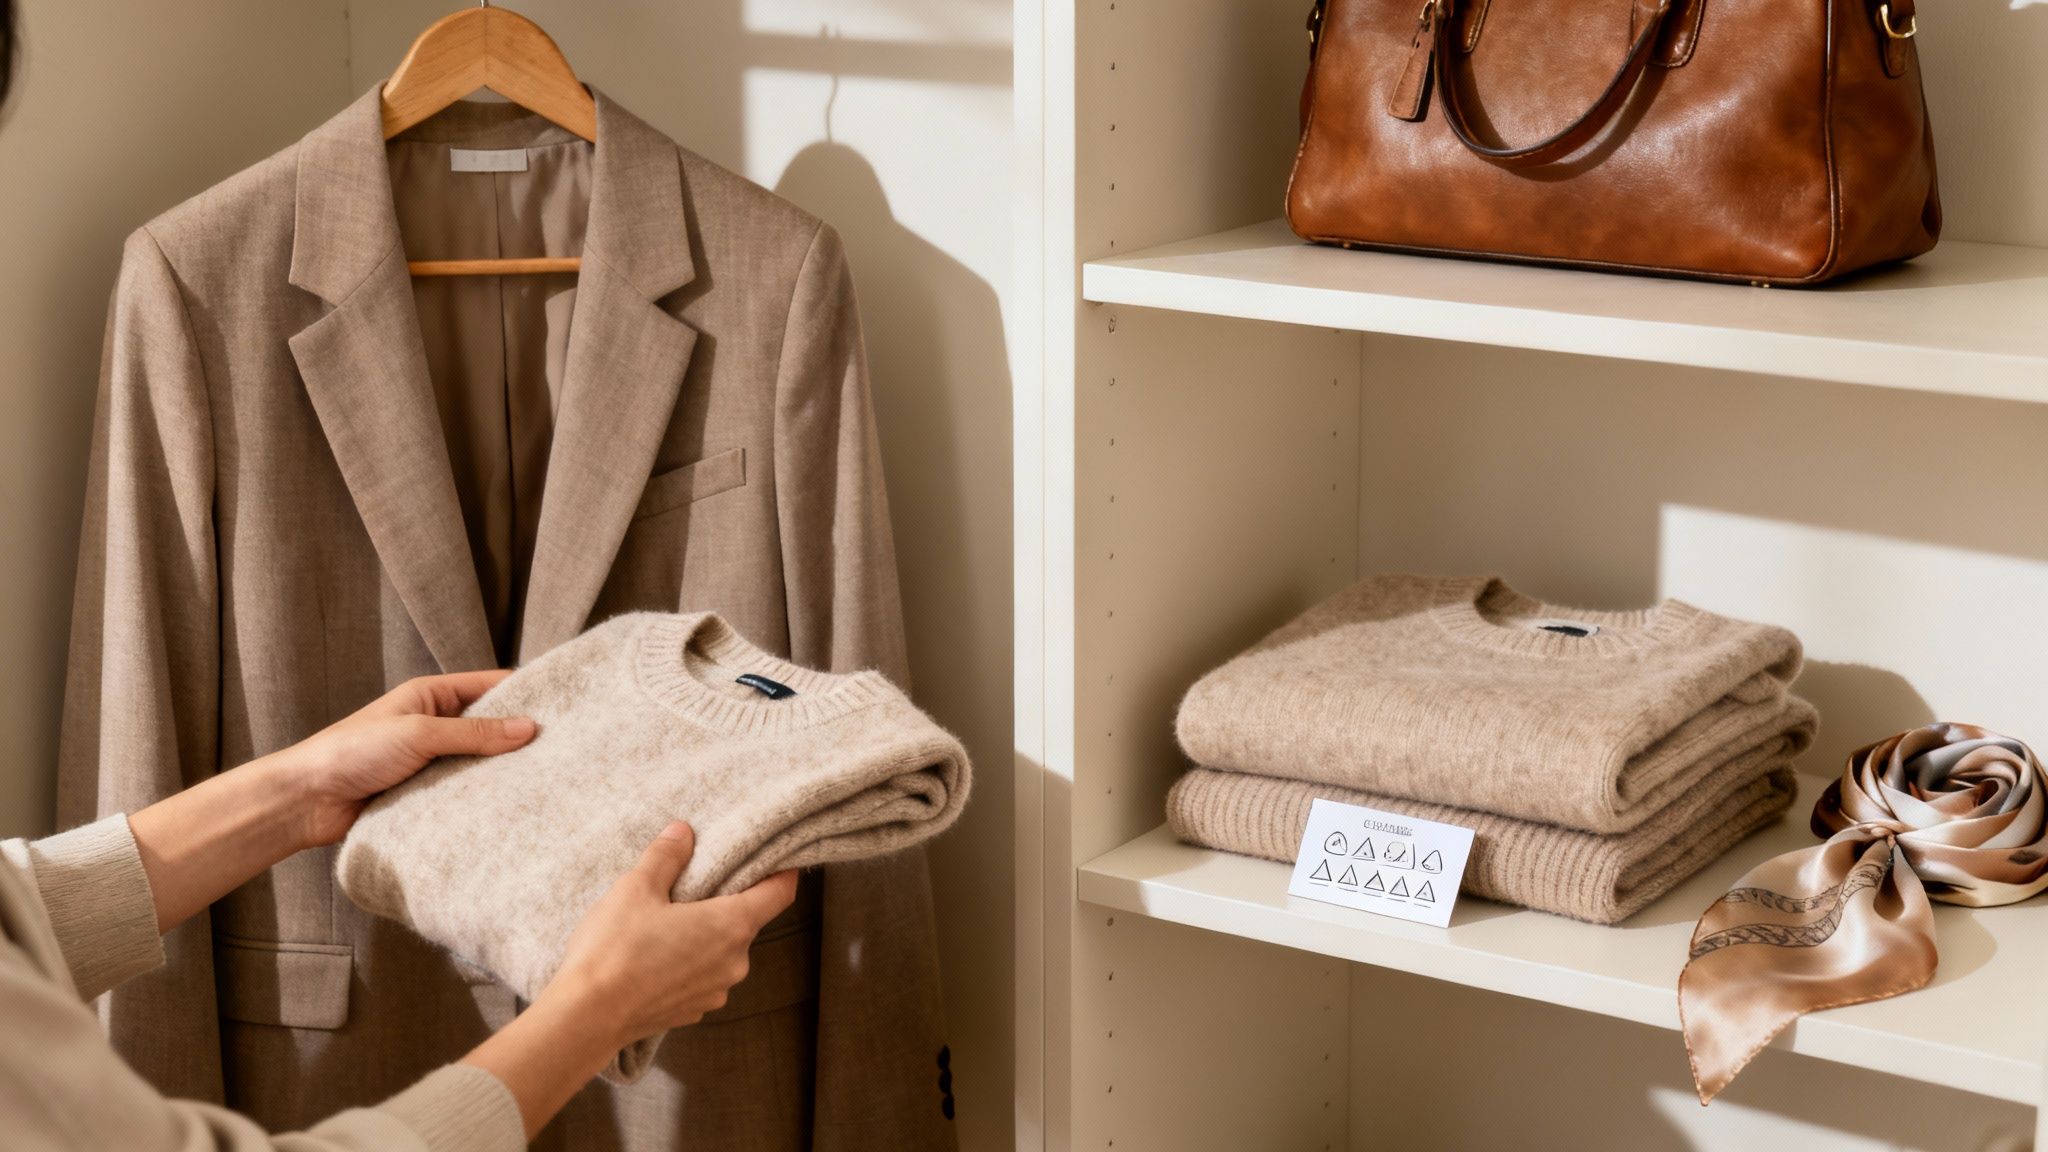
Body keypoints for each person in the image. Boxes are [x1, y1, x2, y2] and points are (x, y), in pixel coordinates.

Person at [0, 14, 800, 1149]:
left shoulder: (774, 273)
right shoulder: (194, 281)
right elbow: (139, 710)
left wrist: (298, 791)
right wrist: (593, 1012)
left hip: (706, 1078)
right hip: (328, 1045)